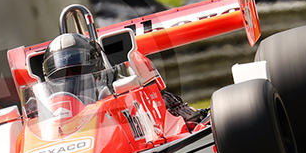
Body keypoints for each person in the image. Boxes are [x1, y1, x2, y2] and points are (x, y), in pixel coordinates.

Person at [41, 32, 208, 127]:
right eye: (60, 76)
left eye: (77, 71)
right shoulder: (47, 124)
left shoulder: (125, 98)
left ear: (99, 71)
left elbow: (186, 124)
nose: (70, 80)